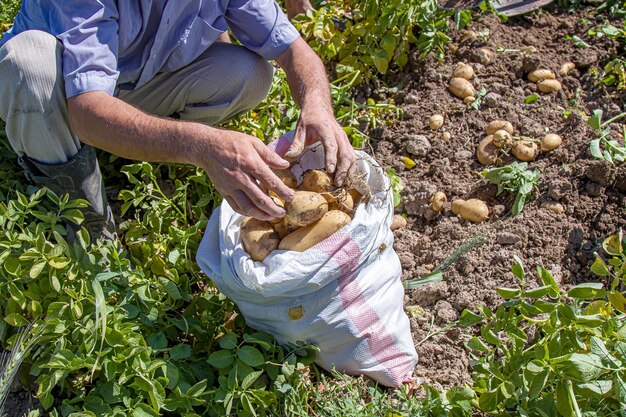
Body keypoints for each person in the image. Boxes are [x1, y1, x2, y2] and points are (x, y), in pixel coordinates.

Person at [0, 0, 355, 241]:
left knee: (248, 72)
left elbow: (292, 49)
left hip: (132, 84)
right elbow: (87, 111)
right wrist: (200, 145)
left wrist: (318, 105)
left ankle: (142, 143)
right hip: (59, 95)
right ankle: (82, 219)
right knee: (28, 64)